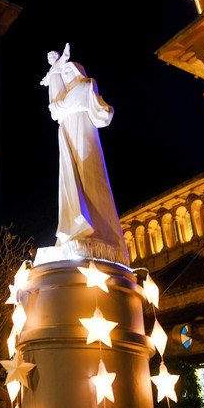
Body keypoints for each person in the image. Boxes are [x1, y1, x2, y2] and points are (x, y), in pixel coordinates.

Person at [40, 43, 129, 265]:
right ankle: (77, 226)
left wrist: (56, 74)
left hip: (83, 133)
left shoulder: (84, 86)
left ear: (80, 72)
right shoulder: (71, 92)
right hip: (70, 132)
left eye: (70, 70)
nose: (67, 74)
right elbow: (56, 109)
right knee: (73, 178)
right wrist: (55, 71)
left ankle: (98, 229)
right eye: (65, 72)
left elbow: (56, 109)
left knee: (90, 178)